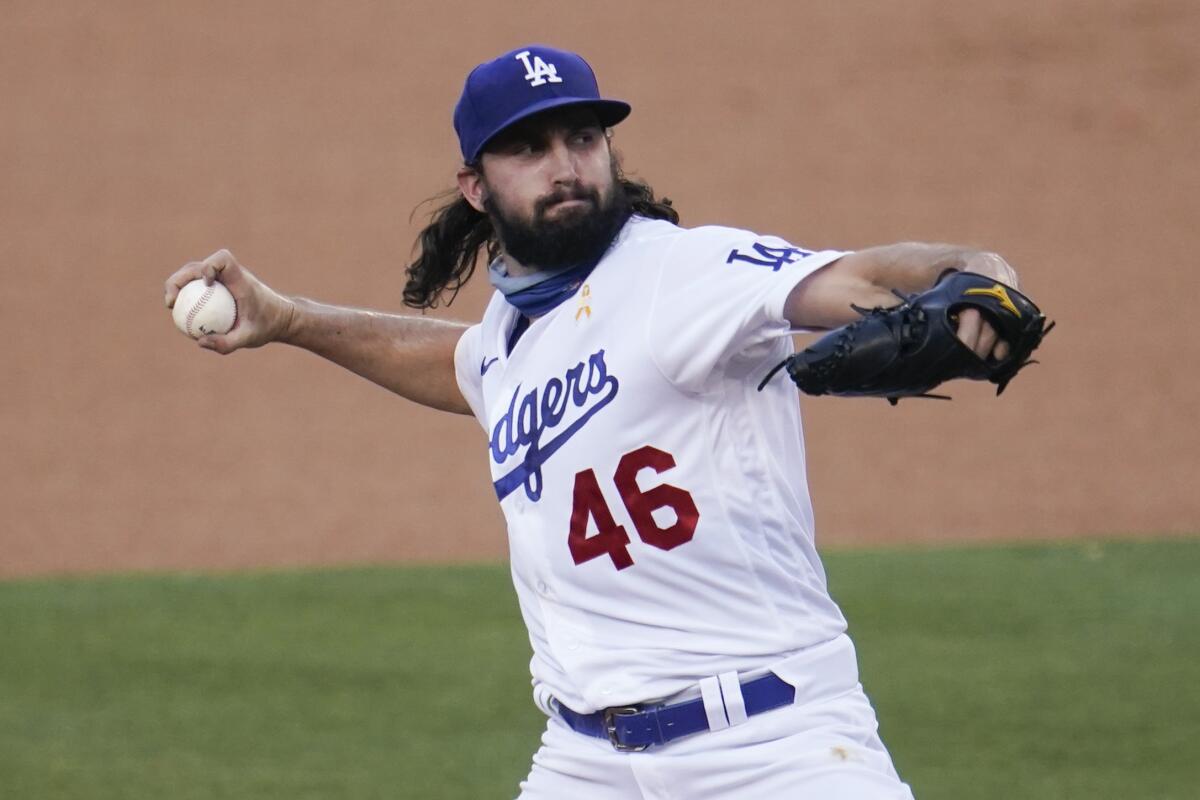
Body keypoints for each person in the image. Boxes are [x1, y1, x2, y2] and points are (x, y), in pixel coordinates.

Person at [165, 44, 1020, 799]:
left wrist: (970, 270)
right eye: (529, 147)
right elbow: (460, 367)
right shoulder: (509, 338)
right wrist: (290, 320)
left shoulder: (683, 272)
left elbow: (859, 277)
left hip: (772, 746)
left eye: (583, 138)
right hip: (587, 762)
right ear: (475, 185)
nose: (565, 165)